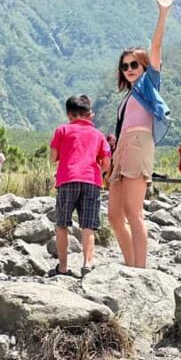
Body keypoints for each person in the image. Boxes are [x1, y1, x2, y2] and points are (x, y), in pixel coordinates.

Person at [108, 0, 175, 269]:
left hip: (139, 144)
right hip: (123, 148)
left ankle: (140, 270)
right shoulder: (128, 97)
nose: (129, 69)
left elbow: (156, 48)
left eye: (134, 64)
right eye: (125, 66)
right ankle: (131, 263)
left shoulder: (149, 85)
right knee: (114, 215)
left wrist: (162, 14)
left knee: (134, 213)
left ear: (144, 66)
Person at [49, 94, 111, 278]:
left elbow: (53, 157)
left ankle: (63, 267)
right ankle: (87, 264)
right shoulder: (99, 135)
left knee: (62, 224)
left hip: (67, 179)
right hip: (91, 181)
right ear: (89, 114)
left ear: (69, 114)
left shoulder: (62, 130)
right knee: (88, 226)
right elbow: (106, 162)